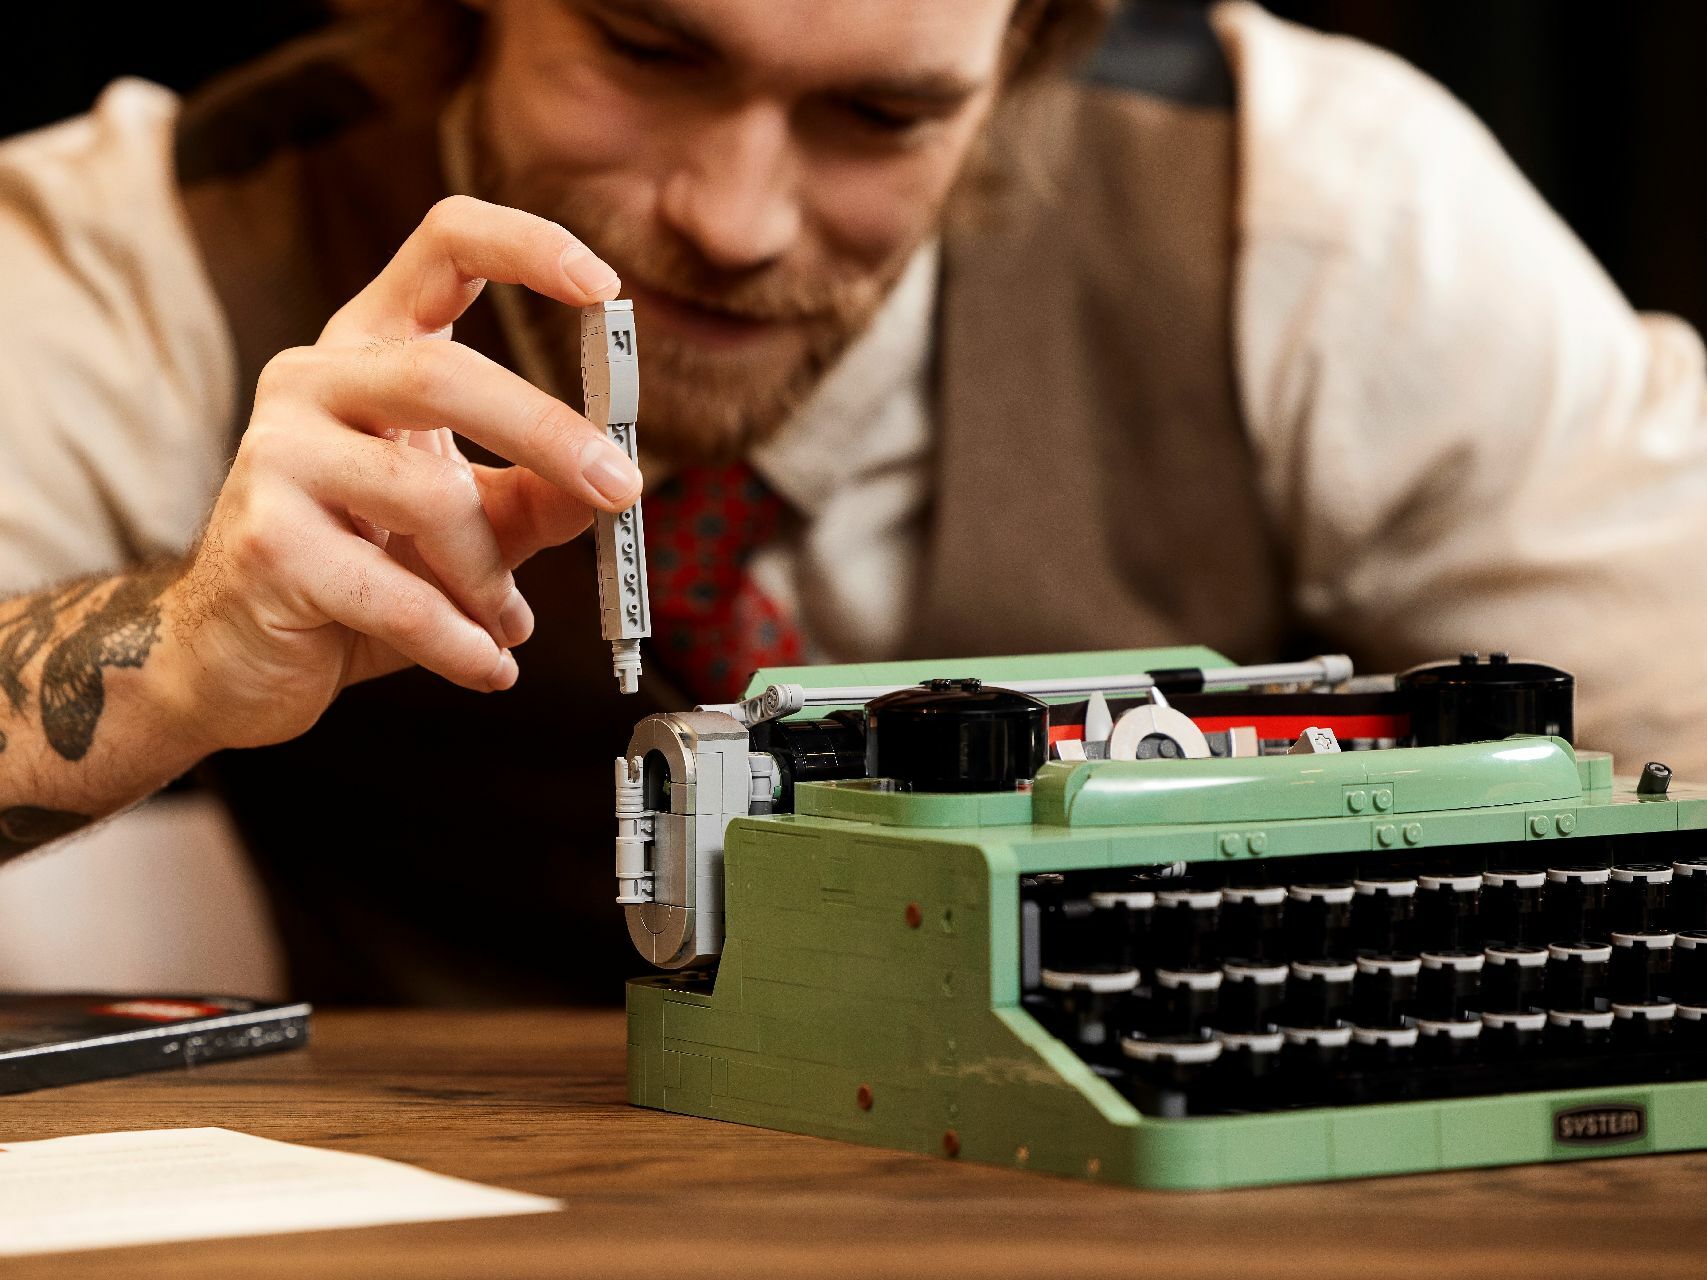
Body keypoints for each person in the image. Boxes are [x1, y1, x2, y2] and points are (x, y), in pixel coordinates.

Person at [0, 0, 1703, 1002]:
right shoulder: (152, 244)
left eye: (883, 113)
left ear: (1030, 47)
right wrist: (183, 646)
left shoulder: (1325, 216)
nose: (737, 219)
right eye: (649, 47)